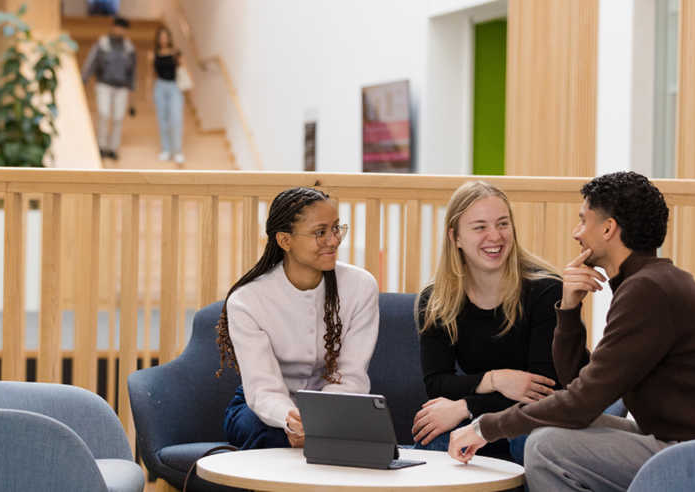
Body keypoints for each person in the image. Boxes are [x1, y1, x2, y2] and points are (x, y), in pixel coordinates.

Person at [448, 171, 695, 491]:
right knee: (547, 431)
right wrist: (570, 309)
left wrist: (486, 428)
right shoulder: (650, 282)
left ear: (607, 228)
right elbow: (578, 385)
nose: (577, 233)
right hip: (675, 442)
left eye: (582, 221)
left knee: (546, 447)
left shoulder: (648, 291)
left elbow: (581, 403)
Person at [216, 187, 379, 450]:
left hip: (335, 407)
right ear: (285, 241)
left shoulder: (361, 286)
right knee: (276, 439)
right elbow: (262, 388)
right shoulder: (247, 300)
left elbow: (351, 376)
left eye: (336, 228)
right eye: (320, 232)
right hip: (262, 410)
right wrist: (290, 420)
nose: (334, 240)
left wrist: (319, 421)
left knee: (363, 440)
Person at [413, 181, 562, 466]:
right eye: (480, 227)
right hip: (491, 413)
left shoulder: (547, 291)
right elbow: (437, 382)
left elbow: (544, 391)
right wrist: (497, 379)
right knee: (431, 438)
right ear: (455, 237)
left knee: (526, 441)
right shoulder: (436, 300)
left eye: (502, 224)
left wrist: (467, 406)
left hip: (545, 417)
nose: (495, 236)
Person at [81, 16, 137, 161]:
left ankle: (113, 148)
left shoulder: (129, 47)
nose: (120, 30)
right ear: (113, 27)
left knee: (118, 117)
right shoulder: (103, 44)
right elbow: (91, 62)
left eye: (123, 28)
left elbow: (133, 71)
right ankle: (101, 146)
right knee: (104, 113)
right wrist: (84, 79)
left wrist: (132, 89)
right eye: (118, 26)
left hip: (122, 87)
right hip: (104, 84)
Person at [148, 27, 189, 165]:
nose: (163, 39)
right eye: (161, 36)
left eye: (165, 36)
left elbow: (185, 70)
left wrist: (191, 89)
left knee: (176, 120)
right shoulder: (153, 54)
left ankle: (177, 151)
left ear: (169, 38)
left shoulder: (176, 53)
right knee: (163, 120)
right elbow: (149, 75)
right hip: (159, 87)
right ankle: (166, 149)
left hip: (174, 88)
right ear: (158, 39)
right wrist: (149, 93)